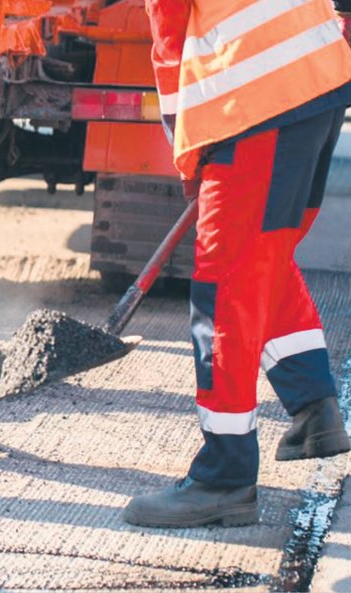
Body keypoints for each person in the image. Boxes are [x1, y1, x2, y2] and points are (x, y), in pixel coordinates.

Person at [124, 0, 351, 528]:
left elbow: (169, 24)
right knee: (260, 261)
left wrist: (185, 142)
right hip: (314, 78)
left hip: (253, 98)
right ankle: (314, 407)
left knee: (224, 290)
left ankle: (223, 478)